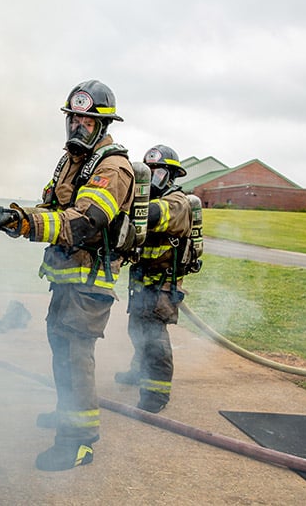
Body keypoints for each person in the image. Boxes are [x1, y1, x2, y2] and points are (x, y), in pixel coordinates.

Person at [0, 80, 135, 471]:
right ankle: (66, 414)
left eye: (86, 121)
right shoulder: (73, 160)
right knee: (63, 352)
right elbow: (53, 206)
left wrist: (30, 225)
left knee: (74, 358)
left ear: (103, 125)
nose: (76, 126)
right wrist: (17, 217)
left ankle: (77, 443)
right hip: (68, 278)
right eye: (72, 118)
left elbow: (87, 221)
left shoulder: (113, 167)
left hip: (89, 283)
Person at [114, 144, 193, 413]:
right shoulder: (143, 204)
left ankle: (156, 394)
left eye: (159, 174)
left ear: (171, 177)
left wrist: (124, 207)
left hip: (163, 286)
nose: (154, 179)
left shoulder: (177, 202)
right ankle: (138, 372)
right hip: (143, 282)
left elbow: (154, 216)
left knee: (154, 339)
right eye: (149, 174)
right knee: (137, 330)